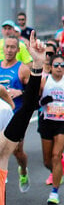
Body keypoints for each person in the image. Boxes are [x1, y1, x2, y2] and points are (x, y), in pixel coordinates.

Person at [38, 53, 64, 204]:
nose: (60, 68)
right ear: (50, 67)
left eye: (62, 65)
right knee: (47, 161)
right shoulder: (43, 81)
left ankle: (54, 192)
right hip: (46, 121)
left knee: (56, 156)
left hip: (63, 122)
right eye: (56, 65)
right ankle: (57, 171)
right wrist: (43, 101)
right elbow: (36, 100)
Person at [0, 35, 31, 192]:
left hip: (16, 116)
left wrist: (20, 92)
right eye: (7, 47)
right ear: (3, 48)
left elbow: (33, 94)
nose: (9, 50)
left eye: (13, 47)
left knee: (17, 152)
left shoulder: (22, 69)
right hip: (0, 116)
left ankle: (23, 171)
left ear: (18, 50)